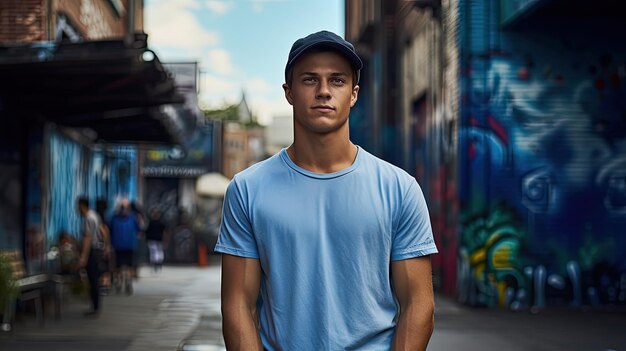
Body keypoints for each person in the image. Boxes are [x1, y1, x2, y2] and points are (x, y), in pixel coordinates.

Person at [214, 30, 439, 350]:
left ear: (354, 94)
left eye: (337, 80)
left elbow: (419, 304)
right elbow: (237, 304)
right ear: (288, 92)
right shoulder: (248, 189)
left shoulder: (399, 189)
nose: (323, 91)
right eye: (309, 80)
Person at [76, 196, 109, 317]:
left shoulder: (88, 218)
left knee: (92, 279)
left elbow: (87, 238)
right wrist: (105, 246)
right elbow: (103, 230)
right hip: (98, 250)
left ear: (82, 206)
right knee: (95, 278)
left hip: (92, 251)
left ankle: (95, 307)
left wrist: (83, 257)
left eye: (77, 206)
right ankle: (95, 306)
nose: (76, 209)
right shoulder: (95, 215)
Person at [109, 198, 141, 295]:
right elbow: (139, 229)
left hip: (117, 245)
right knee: (129, 265)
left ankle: (119, 282)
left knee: (118, 265)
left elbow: (109, 229)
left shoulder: (114, 218)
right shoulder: (133, 217)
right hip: (130, 245)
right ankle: (128, 282)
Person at [144, 208, 168, 273]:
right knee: (159, 252)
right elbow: (165, 232)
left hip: (152, 239)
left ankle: (155, 264)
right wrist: (165, 240)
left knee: (153, 252)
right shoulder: (161, 223)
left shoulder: (150, 223)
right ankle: (158, 264)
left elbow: (146, 232)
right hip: (158, 239)